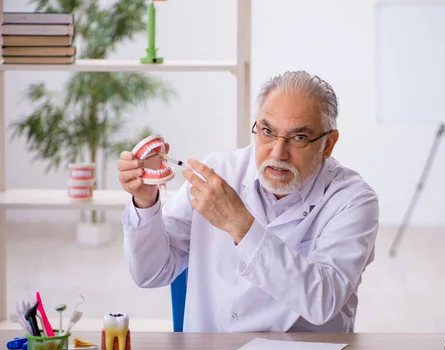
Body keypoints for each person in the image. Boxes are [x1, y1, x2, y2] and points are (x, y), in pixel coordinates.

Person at [117, 71, 379, 333]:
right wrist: (145, 201)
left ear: (328, 144)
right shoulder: (219, 171)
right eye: (267, 131)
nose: (278, 153)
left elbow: (324, 300)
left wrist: (240, 225)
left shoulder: (353, 200)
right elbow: (150, 273)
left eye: (299, 138)